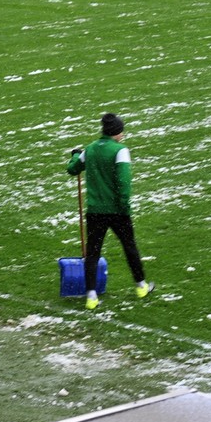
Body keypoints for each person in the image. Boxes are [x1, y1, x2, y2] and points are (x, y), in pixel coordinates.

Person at [67, 113, 154, 310]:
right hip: (117, 211)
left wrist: (74, 154)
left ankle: (91, 296)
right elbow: (124, 182)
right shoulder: (120, 151)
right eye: (121, 130)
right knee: (129, 246)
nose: (123, 134)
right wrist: (124, 206)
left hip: (95, 211)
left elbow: (73, 169)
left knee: (93, 252)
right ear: (116, 132)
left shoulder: (89, 150)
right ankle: (141, 286)